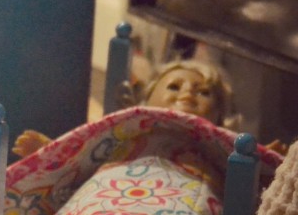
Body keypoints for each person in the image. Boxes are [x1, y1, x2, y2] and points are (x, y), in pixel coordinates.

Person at [13, 59, 234, 158]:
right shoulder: (127, 132)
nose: (188, 92)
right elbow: (85, 157)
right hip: (109, 207)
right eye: (174, 86)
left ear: (220, 117)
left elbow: (255, 172)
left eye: (204, 92)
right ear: (146, 102)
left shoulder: (222, 149)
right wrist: (50, 152)